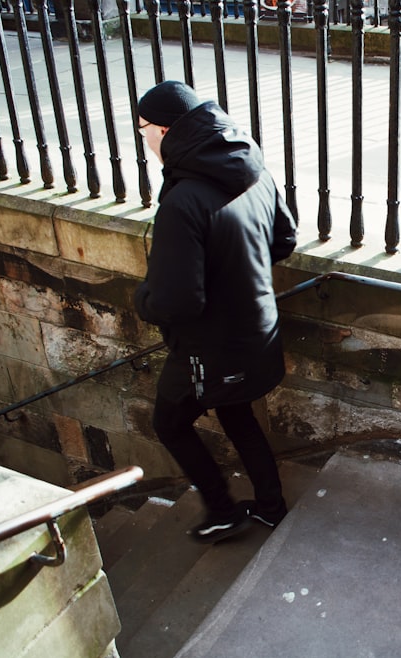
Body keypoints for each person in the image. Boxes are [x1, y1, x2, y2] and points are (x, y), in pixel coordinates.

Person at [133, 80, 297, 543]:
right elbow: (283, 240)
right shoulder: (250, 166)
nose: (143, 139)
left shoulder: (183, 201)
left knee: (169, 422)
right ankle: (270, 507)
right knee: (236, 412)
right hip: (258, 330)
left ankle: (223, 511)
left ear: (163, 130)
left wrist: (140, 298)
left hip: (209, 349)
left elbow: (177, 301)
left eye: (142, 129)